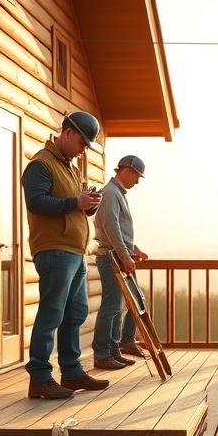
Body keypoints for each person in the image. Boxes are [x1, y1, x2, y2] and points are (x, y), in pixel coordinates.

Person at [22, 110, 109, 399]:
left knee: (75, 313)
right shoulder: (41, 164)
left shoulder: (69, 166)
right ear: (67, 132)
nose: (84, 150)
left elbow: (72, 205)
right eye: (82, 143)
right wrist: (75, 201)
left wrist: (88, 204)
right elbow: (35, 202)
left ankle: (71, 372)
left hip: (74, 252)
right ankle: (40, 378)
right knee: (52, 314)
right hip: (55, 251)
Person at [91, 155, 149, 370]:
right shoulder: (110, 193)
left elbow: (119, 230)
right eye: (137, 176)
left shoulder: (117, 194)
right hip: (111, 257)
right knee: (112, 305)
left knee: (123, 303)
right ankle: (102, 354)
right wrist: (125, 255)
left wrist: (133, 249)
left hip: (118, 254)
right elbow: (110, 227)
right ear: (127, 171)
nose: (138, 181)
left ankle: (114, 350)